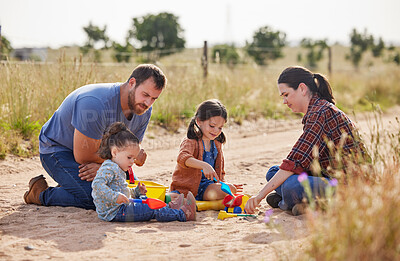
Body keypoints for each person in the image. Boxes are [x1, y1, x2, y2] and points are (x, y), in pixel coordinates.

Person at [23, 64, 167, 210]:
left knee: (129, 192)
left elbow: (128, 150)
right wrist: (110, 165)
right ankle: (40, 193)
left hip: (99, 155)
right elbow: (83, 156)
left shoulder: (143, 110)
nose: (148, 103)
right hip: (58, 149)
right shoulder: (94, 103)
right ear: (132, 83)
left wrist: (134, 155)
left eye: (154, 98)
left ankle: (71, 183)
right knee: (99, 198)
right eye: (145, 95)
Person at [245, 66, 368, 216]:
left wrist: (259, 196)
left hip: (347, 185)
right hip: (326, 176)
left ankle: (287, 201)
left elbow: (295, 161)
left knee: (291, 184)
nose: (284, 101)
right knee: (273, 172)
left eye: (286, 95)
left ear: (302, 89)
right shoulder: (317, 109)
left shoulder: (320, 112)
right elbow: (302, 161)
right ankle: (300, 201)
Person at [91, 122, 196, 222]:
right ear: (114, 152)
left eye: (134, 158)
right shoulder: (109, 168)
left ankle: (170, 207)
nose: (132, 162)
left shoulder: (118, 168)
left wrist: (136, 192)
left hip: (121, 207)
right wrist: (115, 197)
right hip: (115, 212)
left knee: (145, 200)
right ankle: (182, 215)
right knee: (151, 209)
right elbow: (97, 185)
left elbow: (121, 191)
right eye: (129, 157)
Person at [168, 99, 243, 203]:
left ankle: (189, 200)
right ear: (199, 121)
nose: (216, 131)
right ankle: (175, 197)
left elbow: (220, 171)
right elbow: (182, 158)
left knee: (230, 189)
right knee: (176, 196)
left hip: (206, 188)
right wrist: (204, 165)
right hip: (188, 187)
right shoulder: (191, 141)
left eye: (220, 128)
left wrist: (223, 184)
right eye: (212, 126)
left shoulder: (217, 144)